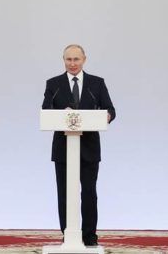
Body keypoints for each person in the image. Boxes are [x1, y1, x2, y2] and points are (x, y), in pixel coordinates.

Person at [41, 44, 116, 247]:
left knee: (89, 193)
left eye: (76, 59)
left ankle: (89, 237)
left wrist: (107, 116)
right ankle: (68, 235)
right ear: (63, 60)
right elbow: (46, 110)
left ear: (84, 60)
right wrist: (60, 114)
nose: (72, 63)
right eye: (69, 59)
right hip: (63, 149)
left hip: (89, 148)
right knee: (64, 194)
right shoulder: (53, 84)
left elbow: (110, 109)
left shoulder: (96, 83)